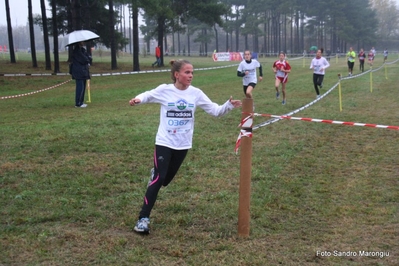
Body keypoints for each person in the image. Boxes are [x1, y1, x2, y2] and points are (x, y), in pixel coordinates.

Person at [129, 59, 242, 234]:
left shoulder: (196, 94)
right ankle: (143, 219)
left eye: (192, 73)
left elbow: (215, 111)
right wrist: (138, 99)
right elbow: (148, 95)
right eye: (187, 72)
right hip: (164, 142)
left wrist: (228, 106)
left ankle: (156, 173)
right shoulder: (165, 90)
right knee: (158, 180)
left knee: (165, 180)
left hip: (183, 145)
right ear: (177, 74)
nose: (190, 76)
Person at [71, 41, 92, 108]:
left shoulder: (82, 49)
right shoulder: (77, 51)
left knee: (83, 86)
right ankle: (78, 103)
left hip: (83, 71)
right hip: (78, 71)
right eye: (82, 42)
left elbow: (88, 57)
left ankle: (81, 102)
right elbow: (84, 59)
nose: (83, 42)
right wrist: (87, 60)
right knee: (80, 87)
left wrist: (88, 59)